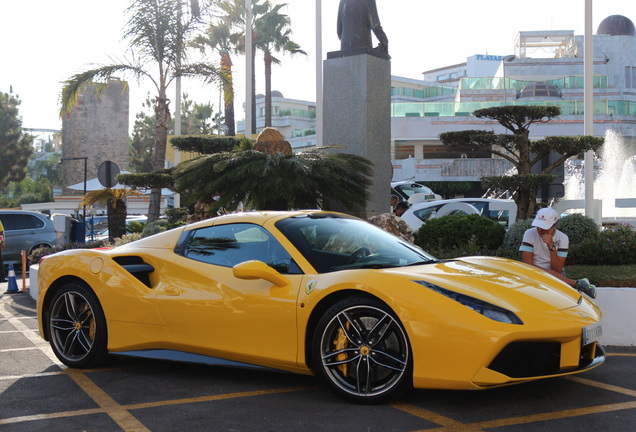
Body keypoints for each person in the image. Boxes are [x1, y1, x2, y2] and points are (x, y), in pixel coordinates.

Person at [519, 208, 596, 298]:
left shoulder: (562, 238)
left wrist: (552, 247)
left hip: (557, 274)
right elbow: (528, 265)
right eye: (538, 226)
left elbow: (557, 269)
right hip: (534, 272)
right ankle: (577, 283)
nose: (539, 230)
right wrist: (550, 274)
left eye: (544, 227)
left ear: (554, 225)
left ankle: (578, 283)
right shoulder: (529, 234)